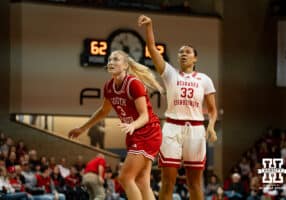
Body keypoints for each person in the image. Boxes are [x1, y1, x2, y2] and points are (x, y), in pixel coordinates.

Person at [138, 15, 218, 200]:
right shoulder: (170, 73)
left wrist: (212, 126)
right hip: (172, 127)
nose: (183, 54)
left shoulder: (205, 79)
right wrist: (149, 26)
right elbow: (151, 49)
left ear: (195, 58)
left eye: (188, 51)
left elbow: (213, 110)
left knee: (194, 183)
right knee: (167, 182)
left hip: (196, 129)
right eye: (180, 52)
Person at [68, 50, 163, 200]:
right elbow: (103, 111)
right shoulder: (109, 87)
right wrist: (83, 128)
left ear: (125, 65)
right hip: (134, 134)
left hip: (147, 132)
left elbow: (144, 116)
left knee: (125, 178)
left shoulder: (134, 84)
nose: (111, 62)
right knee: (142, 181)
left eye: (116, 59)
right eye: (110, 59)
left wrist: (133, 125)